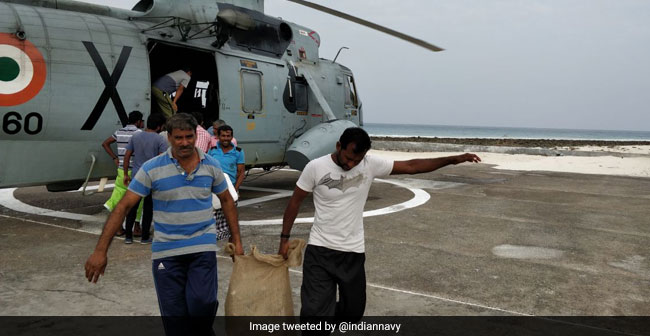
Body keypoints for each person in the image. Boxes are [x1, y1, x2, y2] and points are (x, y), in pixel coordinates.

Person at [278, 127, 480, 325]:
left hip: (352, 252)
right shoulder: (315, 167)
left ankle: (324, 317)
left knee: (353, 312)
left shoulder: (369, 164)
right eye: (348, 158)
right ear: (339, 146)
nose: (351, 164)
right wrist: (284, 239)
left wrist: (453, 159)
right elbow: (294, 202)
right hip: (320, 250)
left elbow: (412, 166)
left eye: (356, 161)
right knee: (314, 314)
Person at [85, 113, 244, 336]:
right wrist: (100, 251)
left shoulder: (211, 165)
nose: (185, 142)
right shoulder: (152, 168)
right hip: (166, 252)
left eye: (189, 136)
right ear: (169, 137)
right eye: (179, 137)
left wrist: (237, 241)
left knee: (203, 304)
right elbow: (123, 207)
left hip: (202, 248)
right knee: (175, 319)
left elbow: (227, 200)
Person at [122, 113, 167, 244]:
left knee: (132, 207)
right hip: (152, 177)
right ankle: (145, 237)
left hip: (136, 175)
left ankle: (128, 236)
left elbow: (127, 155)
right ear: (159, 126)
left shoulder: (136, 136)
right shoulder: (160, 139)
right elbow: (161, 159)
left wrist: (126, 173)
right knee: (148, 208)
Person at [101, 110, 143, 236]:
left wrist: (115, 157)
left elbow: (105, 143)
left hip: (121, 169)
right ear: (138, 121)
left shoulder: (119, 132)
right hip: (136, 169)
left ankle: (118, 226)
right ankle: (136, 227)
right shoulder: (139, 133)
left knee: (119, 194)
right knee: (139, 198)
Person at [208, 124, 245, 241]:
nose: (226, 138)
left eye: (228, 136)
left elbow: (241, 172)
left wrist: (236, 189)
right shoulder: (212, 150)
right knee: (212, 223)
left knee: (232, 222)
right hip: (214, 191)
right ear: (218, 137)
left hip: (230, 192)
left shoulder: (238, 152)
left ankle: (233, 247)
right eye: (223, 136)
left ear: (232, 137)